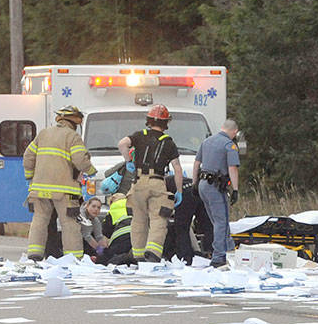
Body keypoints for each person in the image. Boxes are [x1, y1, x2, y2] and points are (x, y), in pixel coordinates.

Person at [23, 107, 95, 260]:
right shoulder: (73, 136)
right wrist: (91, 171)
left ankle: (35, 253)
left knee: (39, 220)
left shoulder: (43, 133)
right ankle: (74, 258)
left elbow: (28, 156)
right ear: (75, 121)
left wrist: (30, 176)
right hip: (65, 191)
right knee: (69, 223)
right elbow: (80, 160)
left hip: (39, 189)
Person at [117, 105, 183, 263]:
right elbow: (177, 168)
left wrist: (128, 161)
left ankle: (138, 255)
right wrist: (179, 191)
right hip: (157, 183)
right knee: (158, 219)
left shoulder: (139, 135)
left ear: (149, 120)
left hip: (138, 183)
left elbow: (122, 144)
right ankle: (152, 253)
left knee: (138, 220)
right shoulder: (168, 142)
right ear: (166, 123)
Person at [194, 119, 240, 268]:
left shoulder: (206, 141)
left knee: (216, 220)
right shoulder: (229, 145)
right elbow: (232, 168)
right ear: (234, 132)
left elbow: (196, 163)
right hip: (216, 187)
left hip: (203, 185)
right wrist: (235, 189)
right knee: (222, 221)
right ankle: (219, 256)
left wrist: (195, 184)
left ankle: (230, 250)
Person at [99, 192, 133, 265]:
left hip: (120, 239)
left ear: (111, 202)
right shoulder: (134, 207)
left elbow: (106, 233)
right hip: (136, 237)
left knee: (107, 259)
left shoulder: (112, 211)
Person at [79, 195, 109, 259]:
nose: (96, 209)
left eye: (98, 208)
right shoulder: (82, 215)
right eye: (93, 206)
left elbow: (99, 236)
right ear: (87, 206)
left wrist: (105, 249)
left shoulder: (95, 220)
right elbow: (87, 236)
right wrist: (99, 249)